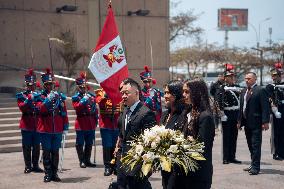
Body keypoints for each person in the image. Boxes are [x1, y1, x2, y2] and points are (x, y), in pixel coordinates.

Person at [114, 78, 156, 189]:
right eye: (122, 93)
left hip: (137, 166)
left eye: (126, 93)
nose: (123, 96)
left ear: (136, 93)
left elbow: (151, 143)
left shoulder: (146, 113)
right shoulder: (124, 111)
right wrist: (117, 149)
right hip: (122, 164)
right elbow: (122, 134)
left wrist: (148, 164)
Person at [181, 79, 215, 189]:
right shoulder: (188, 112)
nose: (184, 95)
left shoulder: (205, 117)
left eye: (187, 92)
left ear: (197, 92)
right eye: (183, 91)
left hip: (199, 173)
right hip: (187, 171)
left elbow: (201, 148)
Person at [37, 68, 69, 182]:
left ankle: (54, 173)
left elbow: (63, 112)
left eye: (51, 84)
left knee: (55, 152)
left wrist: (65, 126)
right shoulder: (39, 96)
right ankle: (47, 173)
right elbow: (39, 109)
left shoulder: (59, 96)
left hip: (57, 128)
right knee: (46, 151)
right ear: (44, 85)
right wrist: (47, 100)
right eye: (47, 84)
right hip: (45, 128)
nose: (50, 86)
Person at [237, 72, 270, 175]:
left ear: (255, 79)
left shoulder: (260, 90)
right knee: (250, 145)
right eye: (246, 78)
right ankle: (253, 163)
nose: (247, 80)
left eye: (249, 78)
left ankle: (256, 167)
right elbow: (242, 107)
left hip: (256, 122)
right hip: (246, 122)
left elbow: (265, 107)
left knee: (255, 145)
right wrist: (239, 121)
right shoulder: (243, 91)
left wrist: (265, 121)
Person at [16, 69, 43, 174]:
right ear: (26, 85)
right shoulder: (21, 96)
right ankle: (28, 166)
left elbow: (41, 107)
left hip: (36, 123)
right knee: (27, 146)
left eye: (33, 85)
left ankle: (35, 165)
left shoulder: (39, 95)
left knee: (36, 146)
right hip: (26, 123)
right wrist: (28, 99)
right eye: (29, 85)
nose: (31, 87)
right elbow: (21, 108)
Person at [160, 80, 186, 189]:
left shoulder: (184, 114)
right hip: (165, 165)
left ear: (176, 95)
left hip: (178, 169)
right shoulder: (165, 114)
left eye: (168, 93)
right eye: (164, 93)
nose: (165, 96)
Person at [216, 64, 242, 164]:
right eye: (228, 77)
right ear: (225, 78)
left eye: (232, 77)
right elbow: (218, 101)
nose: (230, 78)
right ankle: (226, 158)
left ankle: (232, 157)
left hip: (235, 113)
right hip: (226, 113)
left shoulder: (237, 87)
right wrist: (221, 114)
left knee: (234, 136)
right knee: (226, 137)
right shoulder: (221, 88)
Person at [72, 72, 97, 168]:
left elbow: (94, 109)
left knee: (89, 143)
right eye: (81, 87)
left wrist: (95, 120)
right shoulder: (76, 98)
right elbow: (77, 108)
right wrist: (83, 100)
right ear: (78, 87)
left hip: (90, 122)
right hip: (81, 123)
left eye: (84, 87)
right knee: (80, 143)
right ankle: (81, 160)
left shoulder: (91, 96)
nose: (83, 88)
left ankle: (87, 160)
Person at [95, 88, 121, 176]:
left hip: (116, 125)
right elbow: (99, 101)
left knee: (115, 146)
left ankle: (115, 166)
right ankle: (107, 166)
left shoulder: (119, 92)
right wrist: (106, 95)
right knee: (107, 146)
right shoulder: (101, 92)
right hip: (106, 125)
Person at [265, 63, 284, 160]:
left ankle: (282, 152)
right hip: (277, 111)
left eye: (276, 75)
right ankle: (276, 152)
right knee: (276, 132)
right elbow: (270, 99)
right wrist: (275, 111)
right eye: (273, 76)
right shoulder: (270, 86)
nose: (274, 77)